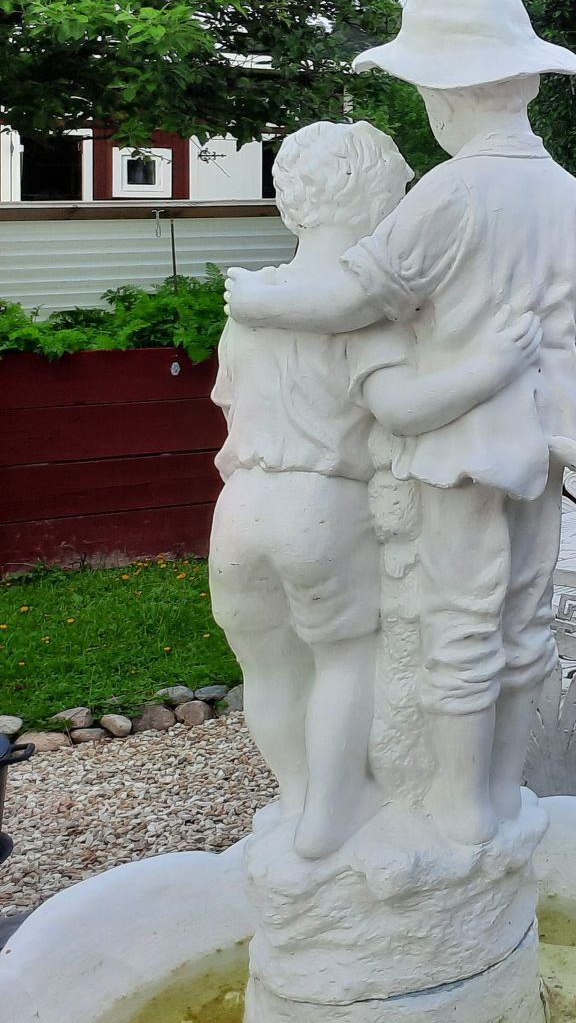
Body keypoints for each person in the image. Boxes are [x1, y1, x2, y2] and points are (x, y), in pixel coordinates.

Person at [226, 0, 576, 846]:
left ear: (444, 95)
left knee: (462, 624)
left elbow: (354, 299)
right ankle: (502, 790)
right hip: (545, 438)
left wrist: (256, 301)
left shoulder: (450, 191)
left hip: (456, 441)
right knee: (526, 617)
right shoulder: (565, 191)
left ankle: (462, 804)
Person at [212, 120, 543, 859]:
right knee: (342, 659)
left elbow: (234, 409)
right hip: (319, 508)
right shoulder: (363, 311)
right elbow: (401, 409)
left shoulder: (250, 304)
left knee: (267, 669)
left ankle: (296, 799)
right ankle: (331, 810)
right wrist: (495, 364)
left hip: (237, 510)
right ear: (373, 200)